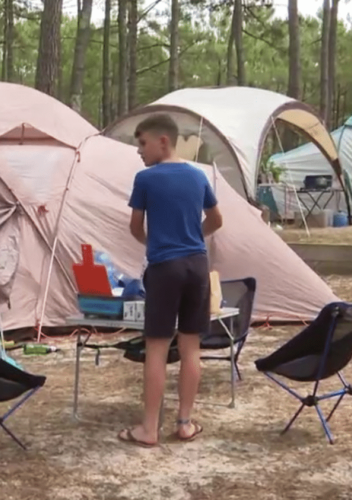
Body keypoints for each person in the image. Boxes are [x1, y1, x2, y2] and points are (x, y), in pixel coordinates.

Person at [118, 113, 223, 447]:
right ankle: (184, 423)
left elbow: (135, 227)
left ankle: (149, 429)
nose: (139, 151)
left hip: (166, 268)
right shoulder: (198, 176)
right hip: (197, 265)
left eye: (142, 143)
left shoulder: (146, 179)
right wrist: (193, 236)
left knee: (157, 349)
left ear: (163, 141)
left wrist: (158, 243)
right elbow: (216, 219)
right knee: (192, 347)